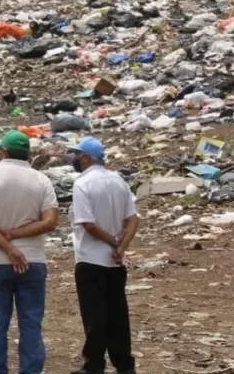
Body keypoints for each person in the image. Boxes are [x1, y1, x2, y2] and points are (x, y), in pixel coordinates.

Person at [0, 130, 59, 374]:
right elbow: (50, 221)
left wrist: (7, 245)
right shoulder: (41, 180)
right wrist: (15, 240)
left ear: (4, 151)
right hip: (33, 260)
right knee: (31, 323)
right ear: (27, 153)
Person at [67, 137, 139, 374]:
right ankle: (124, 365)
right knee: (118, 316)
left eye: (77, 155)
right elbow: (132, 219)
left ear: (86, 157)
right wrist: (121, 247)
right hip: (115, 263)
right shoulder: (118, 180)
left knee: (95, 317)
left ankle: (94, 365)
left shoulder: (82, 184)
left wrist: (114, 242)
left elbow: (89, 225)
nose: (75, 159)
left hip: (90, 260)